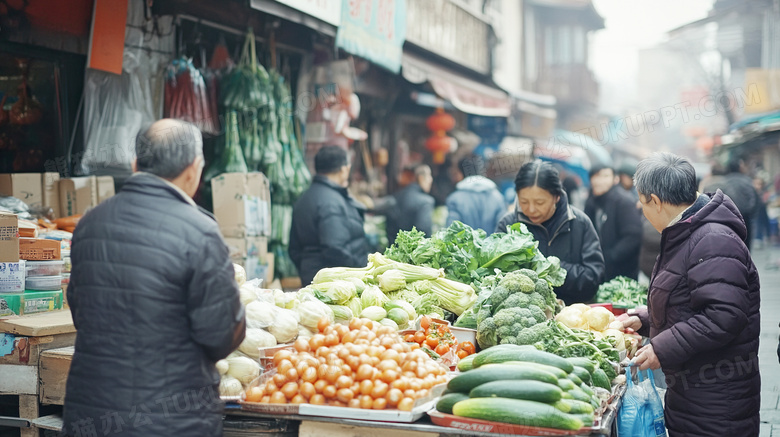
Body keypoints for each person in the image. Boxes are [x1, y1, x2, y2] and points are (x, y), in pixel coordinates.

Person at [62, 120, 246, 437]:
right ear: (194, 170)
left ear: (135, 164)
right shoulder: (200, 231)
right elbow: (220, 336)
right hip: (170, 420)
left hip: (90, 413)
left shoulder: (90, 223)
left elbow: (81, 312)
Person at [624, 152, 760, 437]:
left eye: (642, 202)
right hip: (694, 394)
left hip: (717, 404)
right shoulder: (686, 231)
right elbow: (690, 303)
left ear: (656, 201)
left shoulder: (713, 239)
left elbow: (723, 316)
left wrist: (661, 348)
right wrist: (645, 320)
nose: (642, 210)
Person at [495, 160, 605, 304]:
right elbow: (495, 276)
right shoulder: (508, 225)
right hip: (521, 314)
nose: (531, 209)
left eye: (539, 202)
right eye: (524, 202)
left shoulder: (580, 223)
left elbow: (593, 278)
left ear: (556, 197)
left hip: (571, 316)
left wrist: (551, 267)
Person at [289, 145, 370, 285]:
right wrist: (360, 272)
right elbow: (335, 248)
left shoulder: (304, 198)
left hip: (312, 278)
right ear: (344, 170)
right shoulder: (332, 202)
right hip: (333, 286)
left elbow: (293, 249)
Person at [584, 165, 643, 280]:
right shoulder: (592, 201)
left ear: (615, 179)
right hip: (597, 270)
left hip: (620, 275)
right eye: (596, 176)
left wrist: (609, 257)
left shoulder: (623, 201)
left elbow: (633, 236)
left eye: (605, 176)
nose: (599, 180)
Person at [700, 156, 760, 250]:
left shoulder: (724, 181)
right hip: (746, 216)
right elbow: (755, 199)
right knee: (747, 243)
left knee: (734, 241)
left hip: (730, 215)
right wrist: (751, 213)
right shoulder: (747, 181)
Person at [446, 155, 507, 233]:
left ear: (461, 173)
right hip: (493, 245)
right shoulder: (497, 197)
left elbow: (452, 231)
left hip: (465, 245)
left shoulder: (454, 198)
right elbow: (502, 229)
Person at [386, 164, 435, 243]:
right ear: (421, 178)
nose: (431, 180)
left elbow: (389, 228)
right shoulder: (426, 202)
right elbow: (424, 232)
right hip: (414, 253)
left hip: (396, 250)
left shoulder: (396, 196)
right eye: (429, 176)